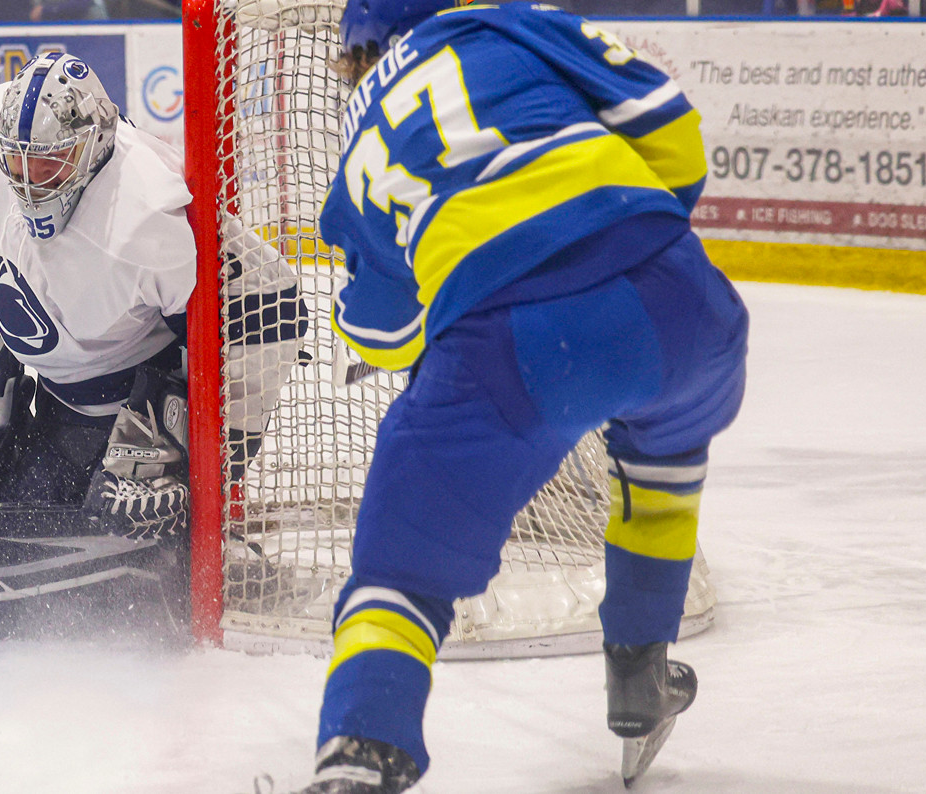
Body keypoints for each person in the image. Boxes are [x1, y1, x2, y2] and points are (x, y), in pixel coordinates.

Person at [301, 1, 748, 791]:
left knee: (399, 567)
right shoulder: (507, 22)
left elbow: (383, 331)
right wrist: (625, 249)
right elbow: (670, 129)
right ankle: (640, 669)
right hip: (685, 309)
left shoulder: (356, 151)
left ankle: (364, 747)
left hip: (516, 350)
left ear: (354, 51)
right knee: (664, 464)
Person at [0, 52, 305, 640]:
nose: (30, 185)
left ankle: (208, 541)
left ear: (91, 149)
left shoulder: (147, 211)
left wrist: (197, 458)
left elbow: (272, 308)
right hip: (51, 409)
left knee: (137, 559)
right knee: (16, 517)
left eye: (50, 165)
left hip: (131, 422)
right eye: (18, 163)